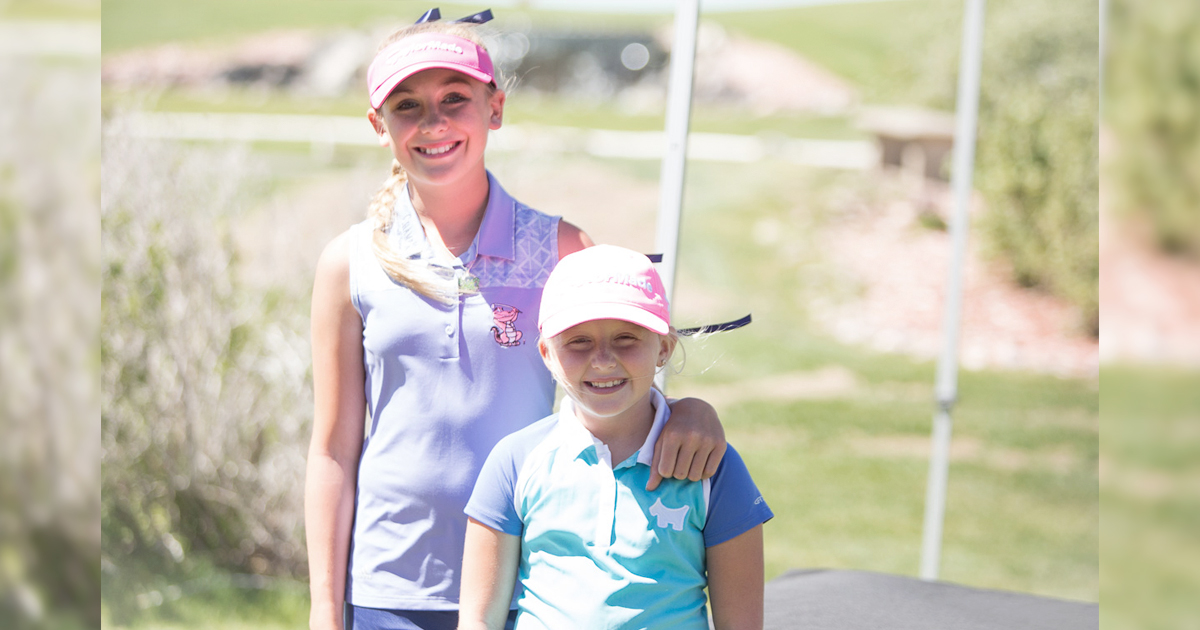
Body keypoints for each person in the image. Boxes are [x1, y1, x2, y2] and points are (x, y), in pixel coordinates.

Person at [305, 10, 729, 630]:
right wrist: (324, 608)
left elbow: (620, 393)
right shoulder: (349, 262)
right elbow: (333, 450)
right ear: (378, 124)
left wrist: (691, 411)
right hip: (388, 586)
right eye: (407, 106)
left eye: (455, 98)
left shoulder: (560, 249)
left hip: (532, 583)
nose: (434, 122)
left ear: (495, 108)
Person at [459, 245, 773, 630]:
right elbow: (478, 620)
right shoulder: (515, 460)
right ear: (547, 353)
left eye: (626, 338)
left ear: (664, 348)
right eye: (578, 341)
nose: (603, 359)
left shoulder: (711, 466)